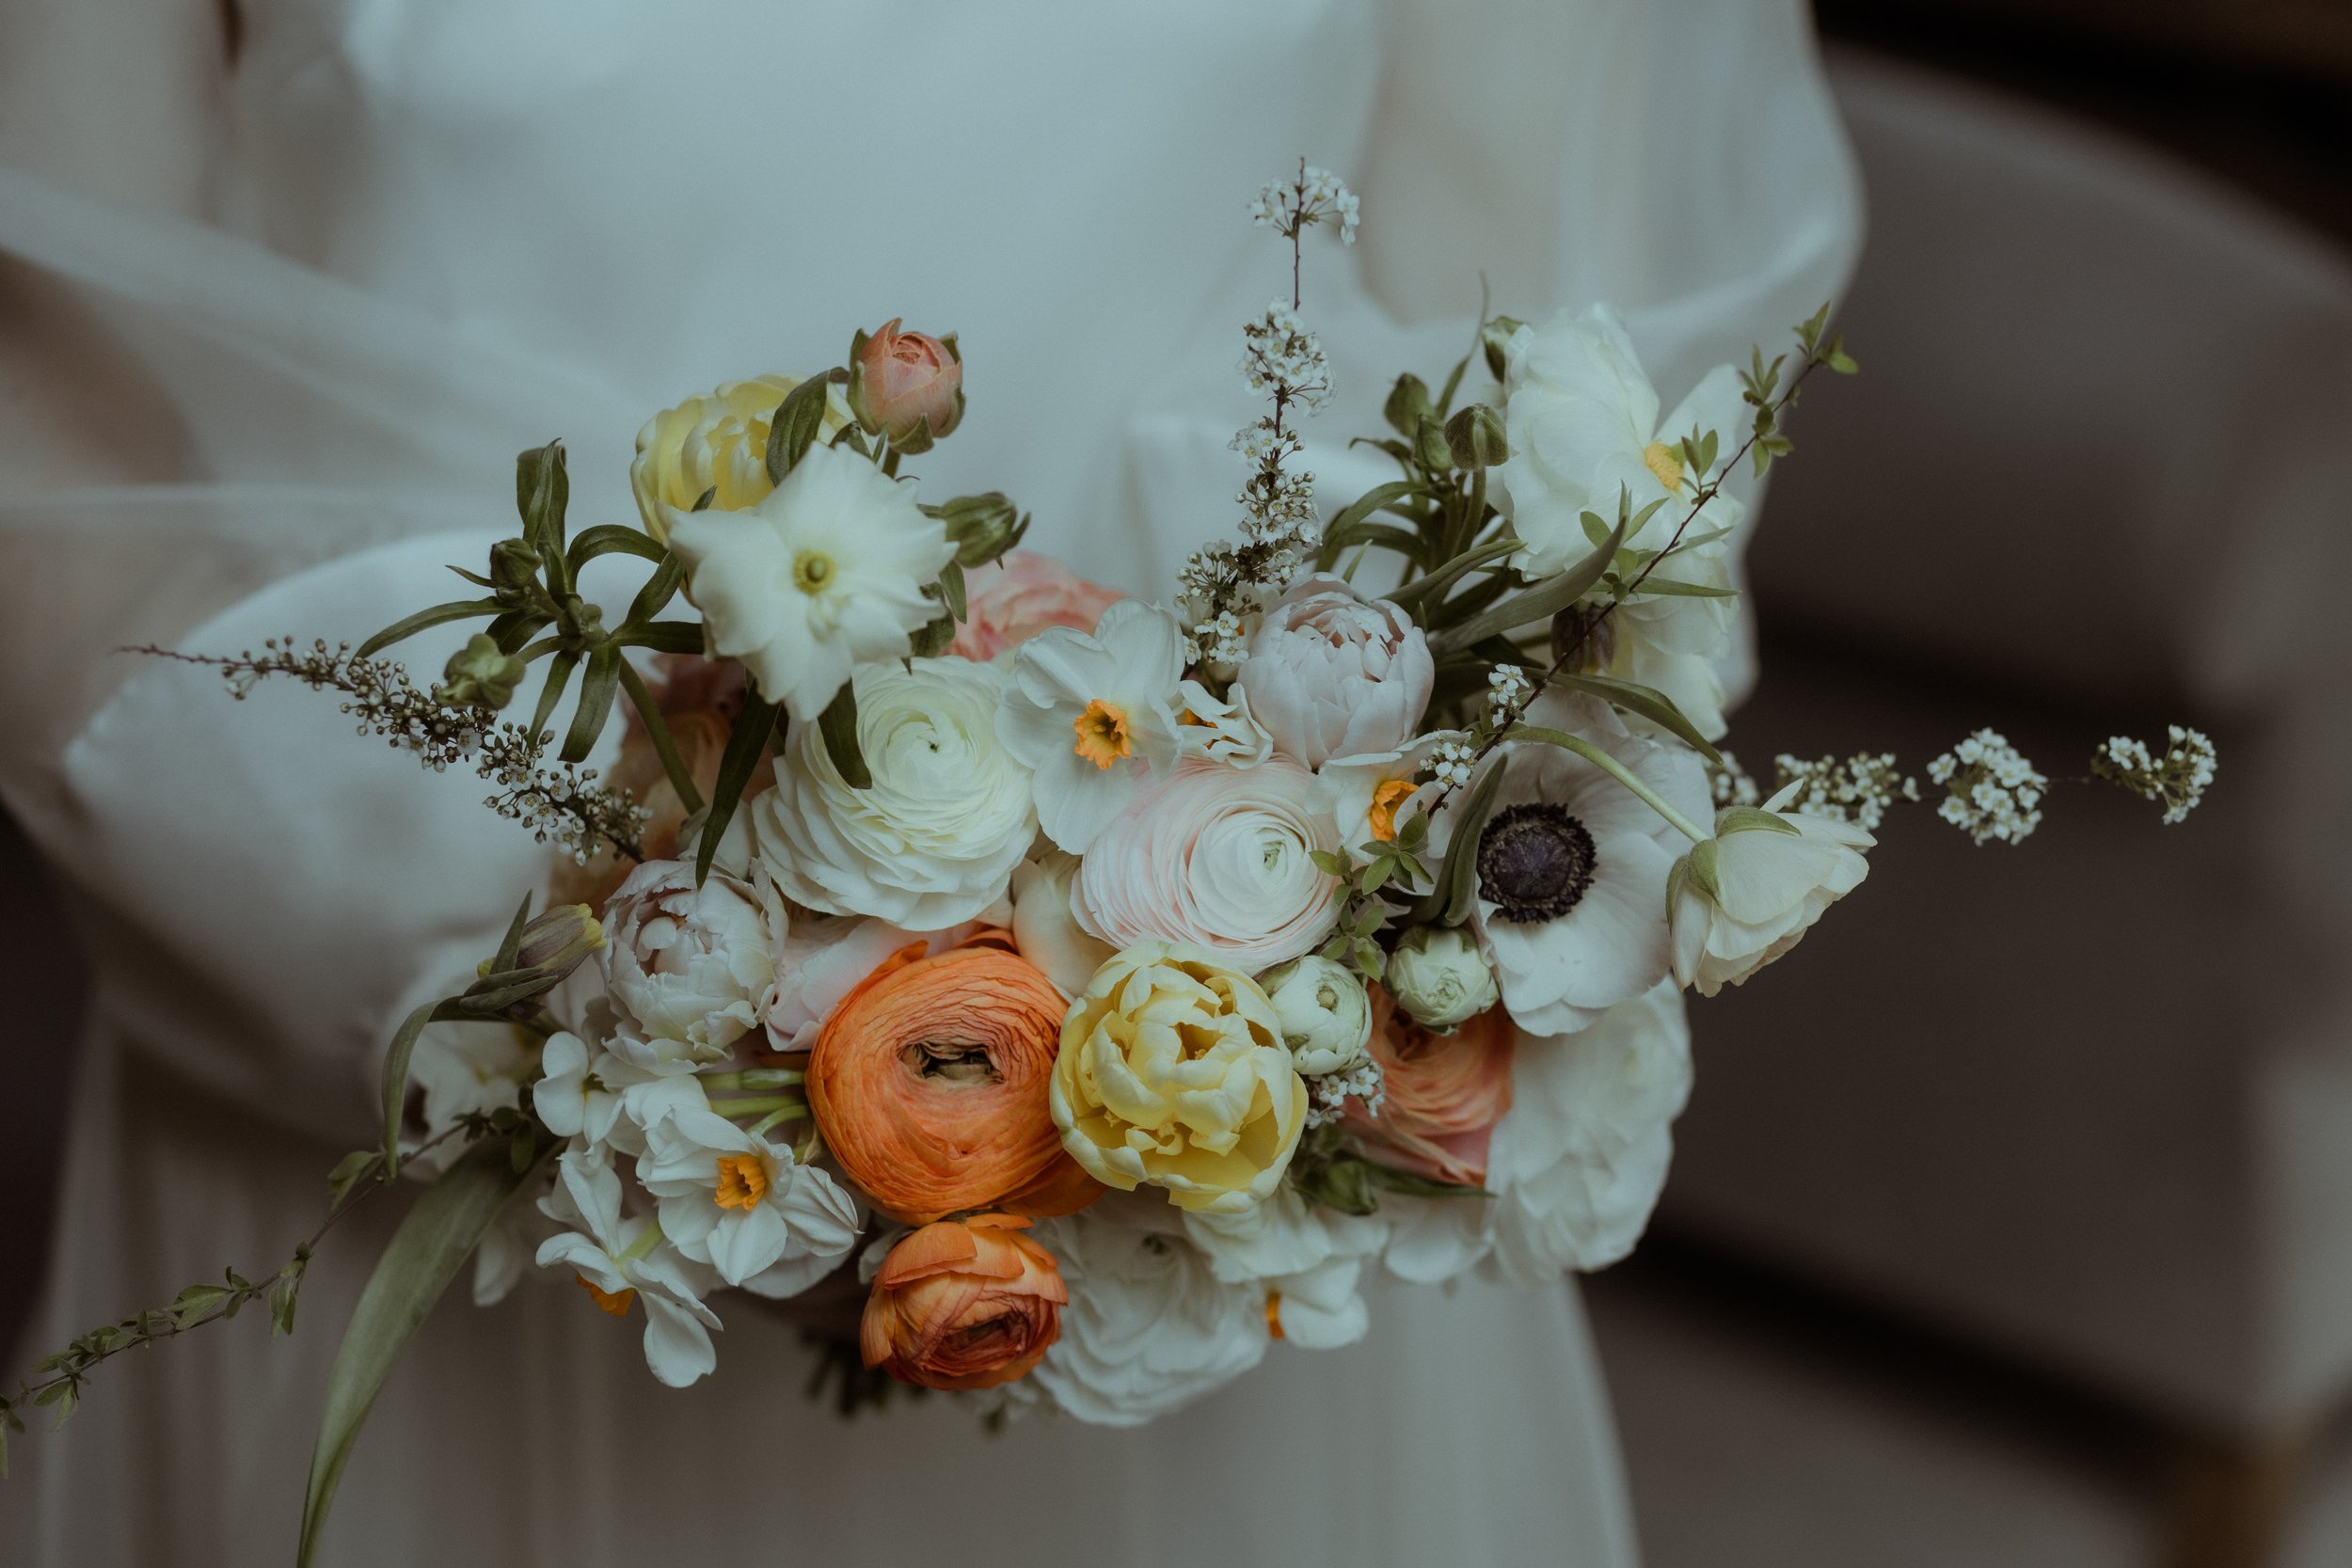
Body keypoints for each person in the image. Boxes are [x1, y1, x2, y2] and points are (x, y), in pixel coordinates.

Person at [0, 2, 1858, 1562]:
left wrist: (1241, 970)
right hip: (417, 1015)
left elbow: (1559, 356)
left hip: (1208, 1118)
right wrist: (652, 1023)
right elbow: (54, 453)